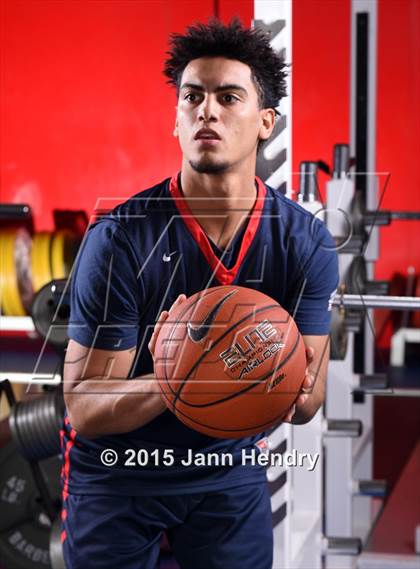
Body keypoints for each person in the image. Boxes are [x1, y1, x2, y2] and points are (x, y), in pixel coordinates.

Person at [62, 19, 339, 569]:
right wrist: (183, 378)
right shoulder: (122, 238)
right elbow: (84, 407)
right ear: (177, 120)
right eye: (193, 97)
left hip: (227, 474)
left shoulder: (304, 241)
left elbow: (307, 403)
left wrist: (280, 381)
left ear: (266, 123)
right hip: (119, 474)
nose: (206, 110)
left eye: (228, 97)